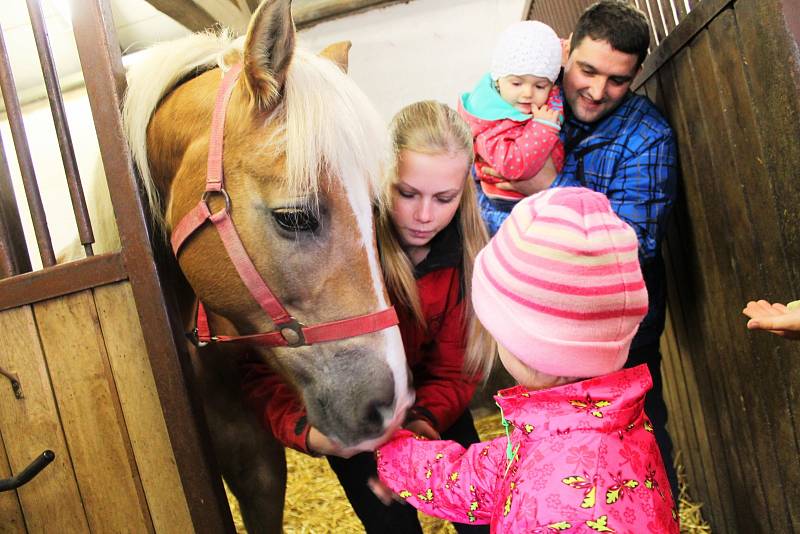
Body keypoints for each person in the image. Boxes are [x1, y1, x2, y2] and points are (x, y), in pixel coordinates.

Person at [239, 100, 493, 534]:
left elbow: (457, 367)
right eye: (407, 193)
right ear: (381, 177)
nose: (424, 215)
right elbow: (259, 365)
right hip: (353, 426)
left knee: (481, 518)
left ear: (463, 191)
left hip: (433, 414)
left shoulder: (467, 258)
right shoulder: (341, 249)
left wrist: (418, 430)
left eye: (444, 197)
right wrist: (307, 432)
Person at [373, 187, 679, 533]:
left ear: (529, 350)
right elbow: (477, 478)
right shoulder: (591, 422)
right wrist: (395, 453)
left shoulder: (573, 510)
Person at [488, 0, 680, 497]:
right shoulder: (529, 97)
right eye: (587, 71)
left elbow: (635, 248)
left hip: (617, 338)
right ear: (565, 51)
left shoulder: (648, 138)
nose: (597, 91)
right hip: (534, 327)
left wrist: (548, 187)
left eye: (617, 80)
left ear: (636, 74)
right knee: (545, 455)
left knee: (637, 449)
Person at [458, 20, 565, 236]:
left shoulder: (520, 102)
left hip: (535, 199)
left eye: (540, 86)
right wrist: (543, 129)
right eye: (517, 84)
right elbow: (511, 165)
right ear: (498, 82)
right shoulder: (489, 121)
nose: (527, 92)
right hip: (505, 207)